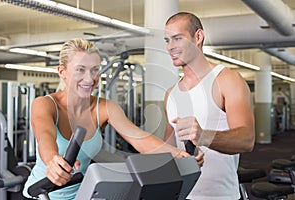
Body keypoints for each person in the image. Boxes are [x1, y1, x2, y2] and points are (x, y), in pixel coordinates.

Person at [22, 38, 203, 200]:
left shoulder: (104, 107)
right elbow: (44, 136)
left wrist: (179, 154)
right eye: (80, 70)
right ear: (62, 72)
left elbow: (139, 137)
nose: (89, 78)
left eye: (94, 70)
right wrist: (53, 160)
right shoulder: (45, 104)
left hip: (82, 194)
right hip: (41, 194)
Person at [163, 12, 255, 200]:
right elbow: (168, 148)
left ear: (198, 37)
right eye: (167, 40)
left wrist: (203, 136)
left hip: (222, 196)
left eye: (177, 38)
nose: (170, 46)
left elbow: (247, 140)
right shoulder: (171, 94)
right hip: (182, 195)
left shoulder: (227, 80)